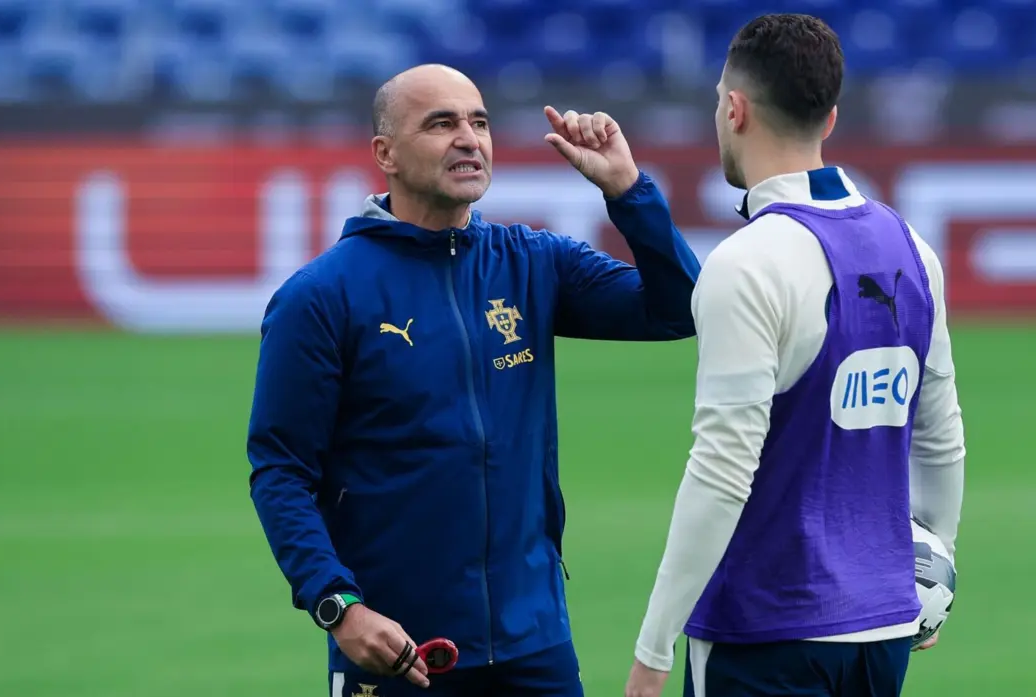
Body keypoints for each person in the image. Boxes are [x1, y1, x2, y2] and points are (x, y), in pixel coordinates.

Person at [246, 63, 700, 697]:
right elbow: (281, 471)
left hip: (535, 643)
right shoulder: (320, 298)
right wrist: (338, 605)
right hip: (401, 652)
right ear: (387, 155)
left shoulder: (533, 262)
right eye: (441, 123)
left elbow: (679, 309)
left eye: (479, 122)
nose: (469, 137)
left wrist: (628, 190)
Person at [623, 14, 967, 697]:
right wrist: (935, 566)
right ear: (830, 117)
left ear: (734, 108)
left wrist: (652, 649)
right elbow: (942, 433)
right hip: (880, 635)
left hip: (763, 634)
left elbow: (722, 469)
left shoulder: (747, 264)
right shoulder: (912, 250)